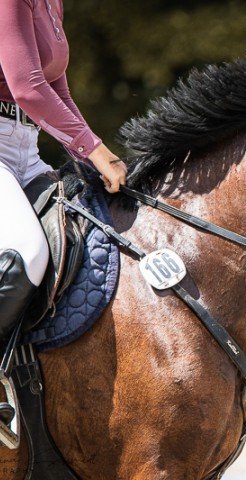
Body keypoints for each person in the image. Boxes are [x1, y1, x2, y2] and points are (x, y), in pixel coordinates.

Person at [0, 0, 127, 423]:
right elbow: (26, 87)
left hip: (26, 151)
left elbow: (58, 90)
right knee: (28, 253)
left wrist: (89, 154)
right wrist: (94, 149)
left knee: (87, 226)